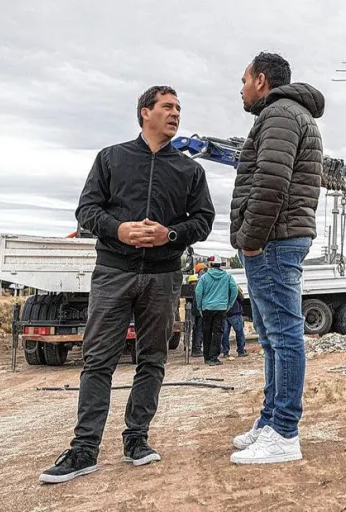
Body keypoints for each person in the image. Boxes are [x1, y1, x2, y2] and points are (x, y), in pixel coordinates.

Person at [39, 85, 216, 484]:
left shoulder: (190, 170)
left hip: (163, 276)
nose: (175, 114)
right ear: (144, 112)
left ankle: (137, 439)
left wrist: (168, 236)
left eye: (178, 108)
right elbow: (86, 210)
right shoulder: (111, 158)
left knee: (152, 360)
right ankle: (84, 450)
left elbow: (203, 220)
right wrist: (119, 229)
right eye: (167, 107)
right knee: (98, 360)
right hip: (113, 273)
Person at [228, 51, 324, 465]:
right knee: (270, 337)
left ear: (262, 80)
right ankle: (270, 421)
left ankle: (285, 432)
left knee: (284, 335)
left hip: (273, 239)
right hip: (277, 237)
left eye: (245, 80)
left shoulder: (280, 115)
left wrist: (250, 239)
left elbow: (270, 183)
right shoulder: (286, 114)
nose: (242, 88)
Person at [194, 257, 239, 365]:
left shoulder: (204, 278)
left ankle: (207, 357)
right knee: (217, 333)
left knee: (207, 332)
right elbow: (235, 290)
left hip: (207, 308)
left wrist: (200, 306)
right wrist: (229, 304)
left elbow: (198, 292)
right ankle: (214, 358)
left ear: (210, 265)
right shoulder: (227, 277)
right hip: (221, 308)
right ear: (220, 265)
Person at [222, 287, 248, 359]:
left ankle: (225, 352)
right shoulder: (234, 287)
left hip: (224, 313)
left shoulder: (221, 287)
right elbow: (241, 298)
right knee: (239, 333)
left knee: (225, 334)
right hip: (235, 312)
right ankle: (241, 351)